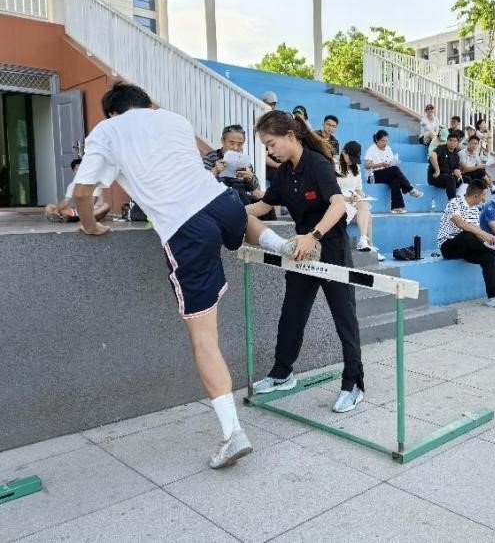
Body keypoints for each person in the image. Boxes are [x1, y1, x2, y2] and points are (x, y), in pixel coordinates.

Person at [72, 82, 301, 469]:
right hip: (222, 204)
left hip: (186, 229)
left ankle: (233, 434)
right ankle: (281, 245)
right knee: (235, 215)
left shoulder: (106, 130)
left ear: (112, 112)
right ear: (148, 104)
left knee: (204, 339)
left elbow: (83, 192)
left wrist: (90, 224)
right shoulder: (174, 119)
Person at [247, 110, 365, 414]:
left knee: (344, 317)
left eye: (271, 144)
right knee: (292, 313)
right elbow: (263, 206)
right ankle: (282, 373)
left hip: (332, 248)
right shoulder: (284, 173)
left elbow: (338, 205)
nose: (269, 151)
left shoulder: (318, 164)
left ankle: (354, 383)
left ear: (290, 136)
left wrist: (314, 235)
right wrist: (227, 210)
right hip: (302, 251)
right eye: (266, 146)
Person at [437, 179, 495, 309]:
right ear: (476, 196)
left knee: (488, 257)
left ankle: (494, 297)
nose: (485, 198)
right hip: (448, 246)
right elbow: (461, 224)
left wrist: (490, 240)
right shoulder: (454, 203)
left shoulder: (474, 209)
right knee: (467, 234)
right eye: (484, 195)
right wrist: (485, 234)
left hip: (468, 247)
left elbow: (478, 233)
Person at [202, 125, 275, 220]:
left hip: (242, 197)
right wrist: (215, 170)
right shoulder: (210, 158)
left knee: (266, 204)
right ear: (222, 141)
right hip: (221, 198)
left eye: (240, 144)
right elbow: (201, 183)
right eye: (231, 143)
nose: (236, 148)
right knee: (238, 195)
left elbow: (255, 189)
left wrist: (250, 177)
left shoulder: (244, 161)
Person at [337, 141, 383, 260]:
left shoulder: (356, 168)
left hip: (353, 201)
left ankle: (364, 241)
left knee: (364, 205)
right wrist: (348, 198)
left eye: (354, 159)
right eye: (350, 158)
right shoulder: (334, 166)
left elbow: (358, 189)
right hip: (338, 202)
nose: (352, 162)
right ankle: (367, 244)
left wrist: (363, 196)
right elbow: (331, 191)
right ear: (344, 153)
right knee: (368, 215)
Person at [364, 129, 423, 214]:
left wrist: (393, 163)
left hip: (386, 173)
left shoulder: (388, 148)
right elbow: (367, 165)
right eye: (382, 141)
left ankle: (397, 207)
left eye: (386, 141)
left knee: (395, 180)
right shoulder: (372, 149)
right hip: (373, 176)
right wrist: (381, 164)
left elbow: (391, 162)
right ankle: (410, 189)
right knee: (395, 170)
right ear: (377, 140)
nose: (385, 143)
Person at [46, 158, 110, 223]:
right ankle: (69, 217)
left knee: (106, 206)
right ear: (73, 171)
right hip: (77, 211)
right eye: (77, 169)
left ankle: (70, 217)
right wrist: (56, 210)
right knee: (49, 207)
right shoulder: (72, 185)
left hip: (93, 211)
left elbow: (91, 202)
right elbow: (65, 201)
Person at [428, 132, 463, 200]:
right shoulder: (441, 148)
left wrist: (458, 174)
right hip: (436, 177)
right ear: (447, 141)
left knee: (466, 179)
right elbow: (432, 156)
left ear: (457, 143)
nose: (452, 142)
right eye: (450, 140)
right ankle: (452, 203)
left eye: (455, 141)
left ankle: (462, 202)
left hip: (448, 178)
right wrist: (437, 170)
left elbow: (456, 169)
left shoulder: (456, 155)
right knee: (450, 179)